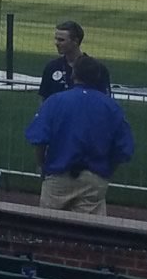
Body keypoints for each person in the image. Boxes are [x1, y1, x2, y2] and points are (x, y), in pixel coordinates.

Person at [25, 58, 133, 215]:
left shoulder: (55, 101)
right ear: (98, 76)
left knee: (48, 229)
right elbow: (123, 149)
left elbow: (39, 139)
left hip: (58, 177)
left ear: (73, 74)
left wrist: (42, 165)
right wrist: (106, 173)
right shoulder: (111, 107)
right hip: (94, 179)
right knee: (88, 233)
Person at [41, 20, 88, 100]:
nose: (56, 43)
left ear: (75, 41)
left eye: (61, 40)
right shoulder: (52, 67)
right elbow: (44, 100)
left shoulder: (95, 69)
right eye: (56, 39)